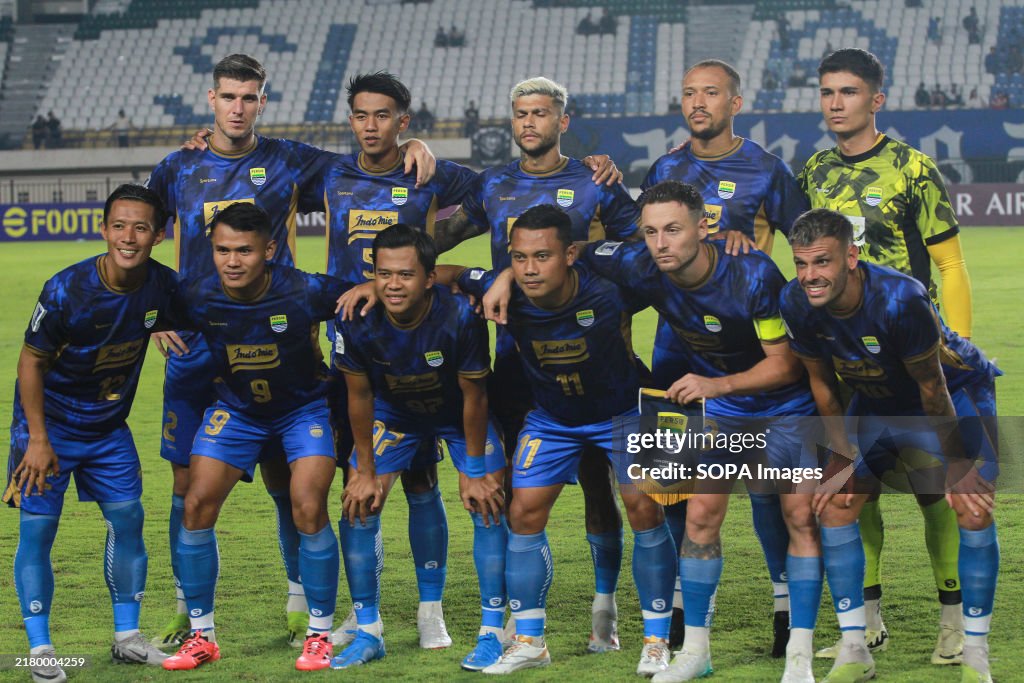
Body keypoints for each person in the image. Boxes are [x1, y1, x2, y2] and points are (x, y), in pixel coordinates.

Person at [168, 64, 439, 651]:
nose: (238, 109)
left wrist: (412, 144)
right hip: (205, 350)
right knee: (188, 486)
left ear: (263, 102)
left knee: (314, 486)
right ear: (212, 99)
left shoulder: (294, 163)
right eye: (228, 98)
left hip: (293, 353)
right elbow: (136, 239)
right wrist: (158, 318)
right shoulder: (179, 164)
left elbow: (370, 163)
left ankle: (671, 619)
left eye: (249, 98)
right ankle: (191, 617)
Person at [575, 181, 821, 683]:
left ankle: (799, 654)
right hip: (720, 408)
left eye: (672, 230)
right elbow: (572, 251)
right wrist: (502, 279)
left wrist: (717, 383)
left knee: (796, 516)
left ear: (703, 227)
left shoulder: (753, 274)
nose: (660, 243)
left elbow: (786, 366)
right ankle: (696, 653)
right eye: (649, 232)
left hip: (782, 405)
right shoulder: (640, 262)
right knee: (699, 516)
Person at [432, 76, 638, 654]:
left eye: (540, 113)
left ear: (561, 122)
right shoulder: (494, 185)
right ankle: (509, 624)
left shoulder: (595, 183)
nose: (528, 123)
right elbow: (436, 242)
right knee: (511, 494)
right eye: (520, 113)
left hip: (596, 357)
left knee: (601, 489)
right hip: (517, 363)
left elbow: (640, 250)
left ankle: (605, 613)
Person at [801, 48, 975, 667]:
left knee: (938, 491)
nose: (835, 103)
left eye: (848, 92)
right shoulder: (815, 171)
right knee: (856, 489)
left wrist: (952, 341)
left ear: (876, 99)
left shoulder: (912, 168)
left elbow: (949, 263)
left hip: (915, 358)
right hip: (850, 362)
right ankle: (866, 616)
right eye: (827, 92)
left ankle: (952, 621)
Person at [451, 205, 676, 676]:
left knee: (645, 508)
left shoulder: (610, 289)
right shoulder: (508, 283)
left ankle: (656, 640)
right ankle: (530, 639)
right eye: (520, 258)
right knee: (523, 510)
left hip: (623, 413)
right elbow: (441, 270)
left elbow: (664, 259)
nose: (530, 269)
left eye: (542, 257)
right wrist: (500, 278)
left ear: (571, 254)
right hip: (553, 419)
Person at [780, 208, 1001, 683]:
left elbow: (933, 387)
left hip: (953, 392)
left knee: (972, 505)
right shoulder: (795, 302)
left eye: (822, 262)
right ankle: (855, 649)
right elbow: (822, 384)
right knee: (837, 501)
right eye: (801, 264)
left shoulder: (902, 299)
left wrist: (959, 466)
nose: (810, 276)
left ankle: (973, 654)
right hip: (877, 398)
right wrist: (838, 460)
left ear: (852, 258)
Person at [644, 58, 810, 653]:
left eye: (711, 93)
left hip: (748, 359)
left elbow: (807, 247)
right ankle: (682, 616)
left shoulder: (767, 169)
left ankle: (785, 607)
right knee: (672, 487)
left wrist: (749, 263)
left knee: (768, 491)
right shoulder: (666, 167)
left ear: (735, 102)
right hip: (675, 355)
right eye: (689, 93)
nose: (698, 103)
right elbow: (648, 242)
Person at [160, 202, 349, 672]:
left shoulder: (303, 289)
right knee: (197, 503)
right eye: (222, 250)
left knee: (307, 503)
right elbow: (147, 303)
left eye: (244, 250)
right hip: (238, 411)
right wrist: (157, 321)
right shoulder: (198, 294)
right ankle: (202, 636)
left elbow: (367, 293)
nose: (232, 261)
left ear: (268, 248)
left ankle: (319, 634)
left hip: (302, 409)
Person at [4, 184, 179, 682]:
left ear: (159, 234)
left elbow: (197, 317)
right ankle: (41, 651)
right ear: (103, 229)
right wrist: (37, 440)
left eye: (141, 227)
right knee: (38, 531)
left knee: (128, 520)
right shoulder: (66, 289)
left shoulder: (163, 287)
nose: (129, 236)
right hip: (49, 428)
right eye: (119, 225)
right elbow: (30, 363)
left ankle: (127, 637)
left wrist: (167, 323)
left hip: (107, 429)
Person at [330, 225, 506, 670]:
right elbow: (359, 396)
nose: (392, 284)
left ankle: (487, 629)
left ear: (429, 277)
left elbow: (475, 397)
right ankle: (369, 630)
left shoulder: (460, 316)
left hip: (456, 415)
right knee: (357, 504)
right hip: (396, 415)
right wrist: (364, 469)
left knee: (489, 503)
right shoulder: (356, 317)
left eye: (405, 275)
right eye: (383, 274)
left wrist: (474, 468)